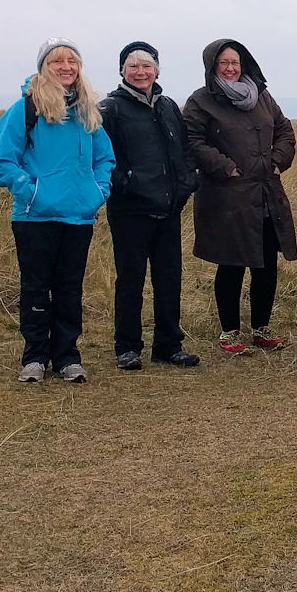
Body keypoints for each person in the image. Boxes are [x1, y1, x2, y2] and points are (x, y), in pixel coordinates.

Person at [0, 38, 115, 384]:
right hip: (34, 218)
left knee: (69, 288)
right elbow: (3, 163)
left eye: (72, 61)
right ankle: (34, 358)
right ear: (44, 67)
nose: (66, 67)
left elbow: (105, 158)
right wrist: (32, 193)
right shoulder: (26, 109)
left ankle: (67, 357)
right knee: (36, 288)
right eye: (57, 61)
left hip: (79, 216)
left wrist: (98, 191)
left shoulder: (87, 110)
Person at [184, 39, 297, 355]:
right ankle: (229, 332)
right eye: (224, 63)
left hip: (265, 193)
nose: (231, 68)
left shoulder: (261, 96)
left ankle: (262, 328)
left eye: (235, 62)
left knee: (266, 264)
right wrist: (226, 167)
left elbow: (285, 131)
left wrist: (277, 161)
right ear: (212, 66)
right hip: (226, 197)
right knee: (231, 263)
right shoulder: (201, 101)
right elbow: (193, 141)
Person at [100, 41, 199, 370]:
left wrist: (186, 186)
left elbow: (184, 152)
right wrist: (127, 186)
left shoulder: (169, 106)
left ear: (157, 69)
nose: (140, 72)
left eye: (147, 65)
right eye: (133, 66)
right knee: (131, 279)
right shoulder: (110, 109)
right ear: (122, 71)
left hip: (168, 208)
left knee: (169, 278)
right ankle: (127, 347)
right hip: (129, 211)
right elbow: (103, 159)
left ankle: (169, 345)